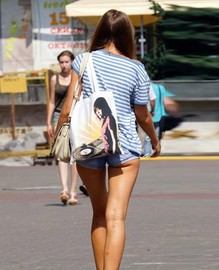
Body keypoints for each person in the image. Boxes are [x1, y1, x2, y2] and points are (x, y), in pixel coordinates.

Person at [55, 9, 160, 269]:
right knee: (116, 218)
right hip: (124, 146)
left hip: (89, 141)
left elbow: (67, 109)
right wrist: (155, 141)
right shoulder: (137, 69)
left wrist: (58, 139)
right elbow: (143, 115)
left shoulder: (83, 60)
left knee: (99, 213)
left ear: (100, 31)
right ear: (127, 36)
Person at [46, 50, 80, 205]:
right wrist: (48, 122)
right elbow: (52, 101)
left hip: (75, 115)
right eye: (61, 62)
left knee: (74, 154)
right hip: (58, 115)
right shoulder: (55, 79)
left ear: (72, 61)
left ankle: (73, 191)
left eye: (67, 61)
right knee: (61, 153)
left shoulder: (78, 77)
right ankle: (64, 189)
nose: (64, 65)